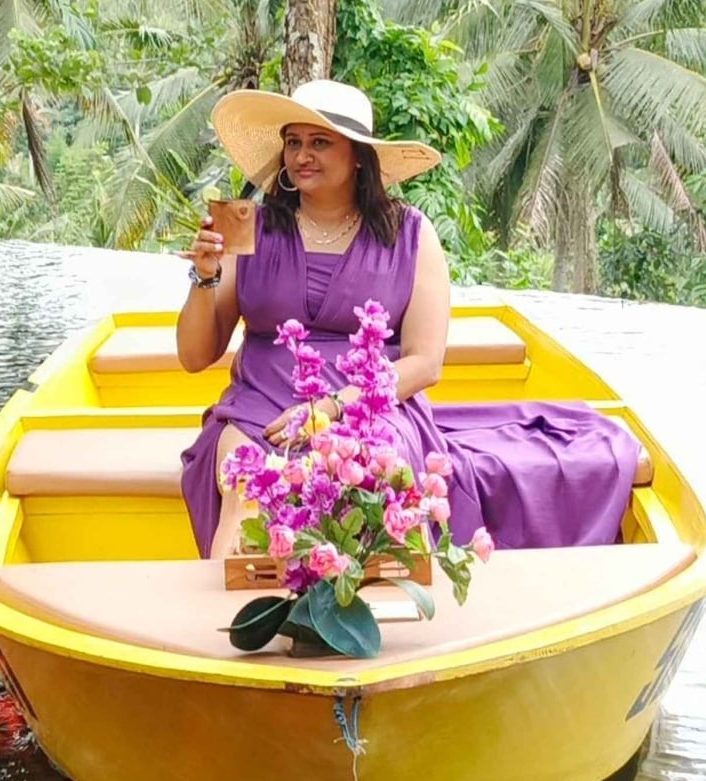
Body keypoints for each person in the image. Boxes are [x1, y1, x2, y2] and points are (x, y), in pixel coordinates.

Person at [176, 79, 640, 559]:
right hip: (261, 410)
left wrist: (334, 408)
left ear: (358, 155)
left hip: (371, 408)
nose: (301, 156)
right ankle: (235, 624)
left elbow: (424, 363)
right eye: (293, 142)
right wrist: (204, 276)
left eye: (320, 142)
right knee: (244, 490)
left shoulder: (411, 234)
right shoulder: (246, 222)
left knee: (376, 490)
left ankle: (376, 618)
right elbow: (194, 356)